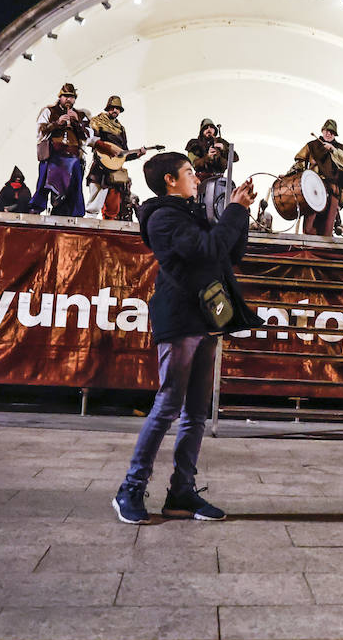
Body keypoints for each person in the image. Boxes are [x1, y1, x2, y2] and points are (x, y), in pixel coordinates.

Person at [113, 153, 263, 524]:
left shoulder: (192, 213)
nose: (197, 178)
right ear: (169, 180)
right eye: (189, 172)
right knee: (168, 405)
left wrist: (238, 211)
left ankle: (181, 492)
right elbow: (210, 248)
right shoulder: (164, 218)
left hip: (207, 317)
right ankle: (130, 488)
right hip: (180, 318)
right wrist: (233, 211)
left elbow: (232, 252)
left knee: (196, 412)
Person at [27, 83, 93, 216]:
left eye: (71, 97)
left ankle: (75, 213)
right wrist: (57, 123)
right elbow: (40, 131)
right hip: (54, 154)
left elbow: (88, 136)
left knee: (75, 186)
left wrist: (77, 123)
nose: (68, 100)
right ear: (60, 97)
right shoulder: (49, 111)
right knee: (45, 182)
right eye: (66, 96)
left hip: (73, 156)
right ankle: (37, 208)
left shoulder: (81, 114)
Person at [86, 95, 148, 221]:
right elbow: (91, 140)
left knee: (113, 206)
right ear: (108, 108)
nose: (115, 110)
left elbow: (123, 154)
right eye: (113, 108)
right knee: (95, 202)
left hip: (115, 171)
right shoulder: (98, 121)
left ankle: (109, 228)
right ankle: (89, 224)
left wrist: (137, 154)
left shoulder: (121, 129)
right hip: (101, 166)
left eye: (118, 109)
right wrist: (107, 149)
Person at [291, 118, 343, 236]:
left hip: (333, 192)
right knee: (308, 230)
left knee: (327, 233)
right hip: (313, 191)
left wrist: (333, 150)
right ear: (322, 131)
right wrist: (290, 175)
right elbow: (299, 162)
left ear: (335, 134)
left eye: (332, 132)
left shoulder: (342, 150)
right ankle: (309, 251)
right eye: (326, 131)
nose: (329, 133)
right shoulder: (312, 146)